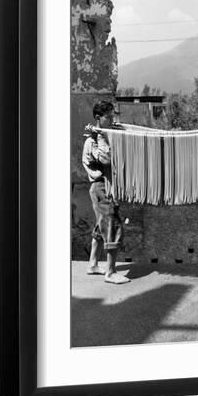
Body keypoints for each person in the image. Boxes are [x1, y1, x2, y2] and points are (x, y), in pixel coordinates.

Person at [82, 100, 130, 284]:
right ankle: (110, 273)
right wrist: (101, 136)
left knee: (101, 225)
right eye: (108, 117)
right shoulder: (93, 141)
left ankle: (93, 264)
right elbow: (106, 159)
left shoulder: (103, 134)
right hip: (100, 186)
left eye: (113, 116)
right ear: (98, 118)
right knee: (112, 226)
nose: (111, 120)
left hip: (105, 187)